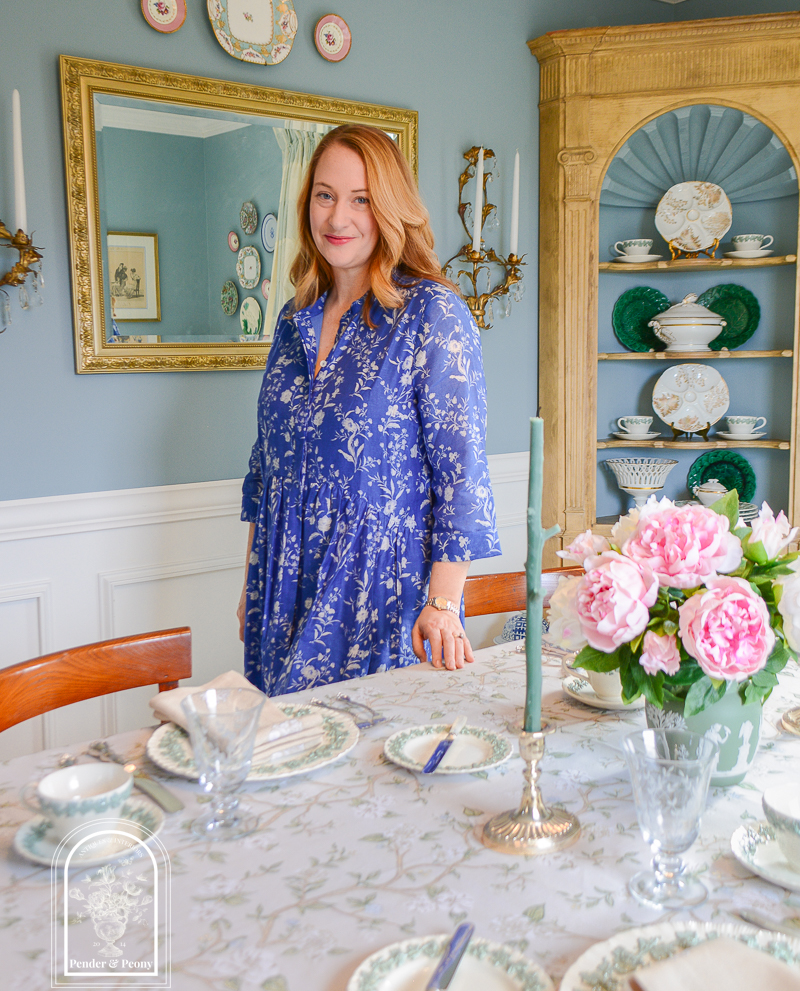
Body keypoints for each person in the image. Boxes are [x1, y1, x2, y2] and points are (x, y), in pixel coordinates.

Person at [238, 124, 500, 696]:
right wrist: (251, 586)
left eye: (361, 199)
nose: (338, 218)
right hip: (281, 588)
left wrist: (443, 603)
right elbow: (266, 469)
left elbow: (462, 475)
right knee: (286, 748)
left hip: (379, 595)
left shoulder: (431, 313)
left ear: (390, 209)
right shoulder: (293, 317)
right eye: (325, 195)